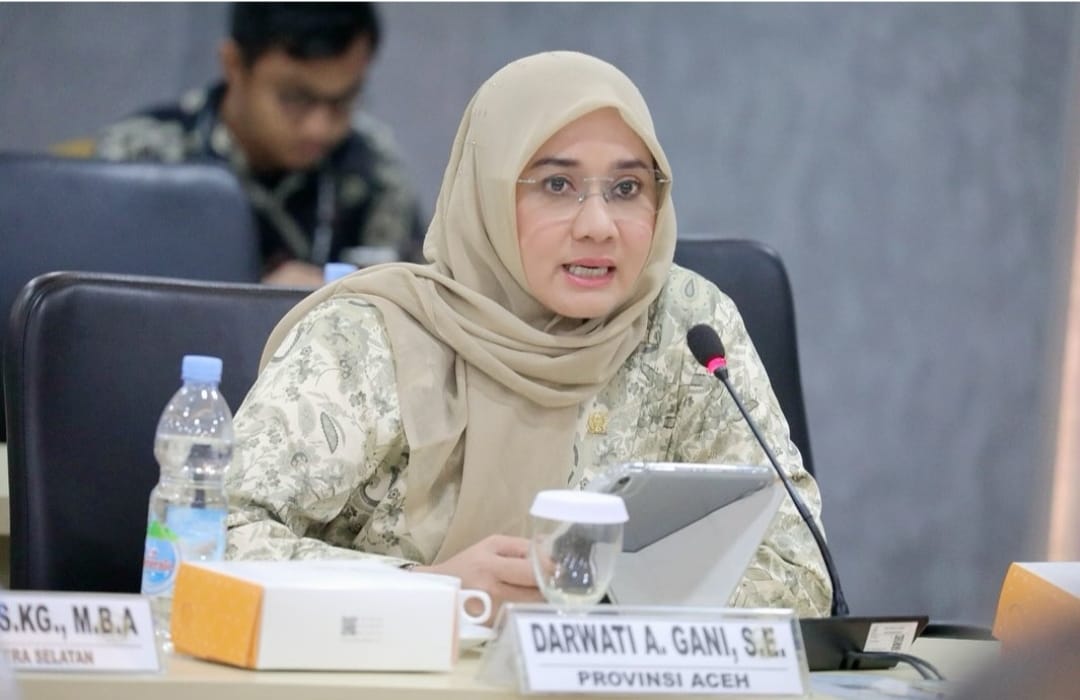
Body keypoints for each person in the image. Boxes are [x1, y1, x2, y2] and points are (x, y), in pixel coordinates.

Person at [225, 51, 832, 619]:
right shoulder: (371, 338)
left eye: (627, 189)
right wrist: (433, 590)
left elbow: (799, 570)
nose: (598, 226)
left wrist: (595, 604)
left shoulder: (687, 326)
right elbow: (216, 536)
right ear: (486, 192)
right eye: (556, 185)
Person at [95, 3, 425, 286]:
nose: (319, 128)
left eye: (344, 100)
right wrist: (254, 303)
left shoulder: (374, 167)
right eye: (295, 98)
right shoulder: (142, 159)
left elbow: (412, 305)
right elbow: (99, 305)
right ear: (234, 65)